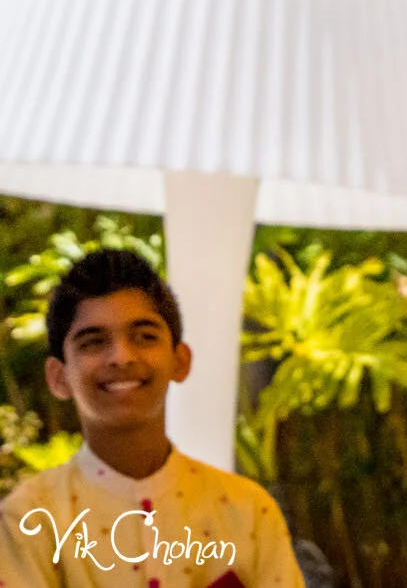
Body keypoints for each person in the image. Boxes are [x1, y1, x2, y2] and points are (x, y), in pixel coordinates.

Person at [0, 249, 304, 587]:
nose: (122, 357)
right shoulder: (30, 520)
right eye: (94, 342)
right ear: (59, 377)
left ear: (180, 360)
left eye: (144, 336)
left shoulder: (248, 512)